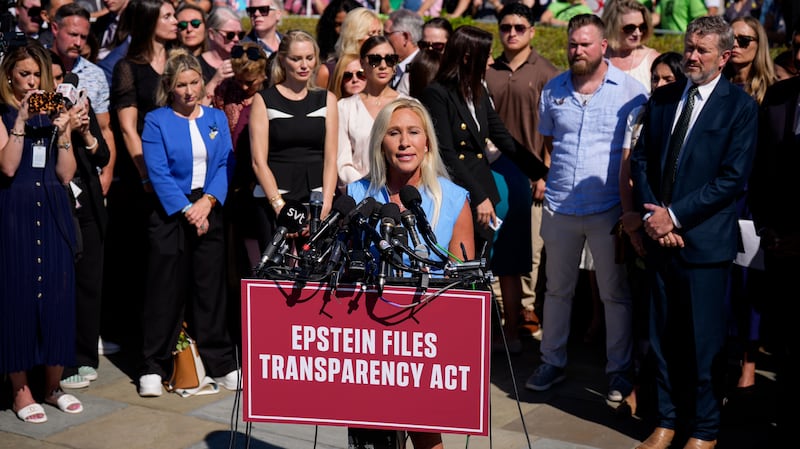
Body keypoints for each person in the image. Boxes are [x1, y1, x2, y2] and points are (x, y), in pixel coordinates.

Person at [630, 15, 758, 449]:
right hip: (660, 240)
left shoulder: (739, 107)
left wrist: (676, 216)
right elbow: (642, 160)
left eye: (701, 50)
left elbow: (732, 178)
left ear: (724, 57)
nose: (691, 56)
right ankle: (665, 420)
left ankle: (704, 429)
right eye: (688, 47)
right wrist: (655, 218)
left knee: (704, 344)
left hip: (704, 244)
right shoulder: (664, 99)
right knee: (662, 339)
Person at [525, 14, 647, 404]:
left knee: (615, 292)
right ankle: (552, 361)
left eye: (585, 44)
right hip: (560, 204)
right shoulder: (554, 88)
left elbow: (637, 151)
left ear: (603, 46)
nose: (577, 50)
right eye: (572, 44)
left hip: (608, 208)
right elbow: (548, 142)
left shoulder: (630, 92)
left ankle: (619, 371)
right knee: (557, 289)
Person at [347, 97, 473, 449]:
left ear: (427, 141)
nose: (405, 142)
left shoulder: (453, 198)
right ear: (380, 143)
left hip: (427, 340)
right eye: (394, 133)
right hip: (369, 338)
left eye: (414, 132)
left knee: (425, 435)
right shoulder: (358, 193)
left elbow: (465, 286)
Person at [138, 48, 239, 397]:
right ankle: (153, 365)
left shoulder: (214, 117)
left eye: (194, 82)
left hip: (208, 208)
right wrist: (188, 210)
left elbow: (226, 164)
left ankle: (222, 362)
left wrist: (207, 203)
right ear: (169, 86)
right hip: (171, 214)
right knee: (164, 290)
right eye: (181, 84)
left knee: (210, 289)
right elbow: (158, 172)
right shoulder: (156, 120)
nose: (188, 90)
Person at [419, 25, 548, 270]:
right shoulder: (437, 94)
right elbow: (445, 152)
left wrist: (543, 173)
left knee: (482, 265)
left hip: (482, 190)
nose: (490, 61)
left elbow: (504, 138)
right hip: (456, 193)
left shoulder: (475, 92)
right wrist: (478, 197)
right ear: (467, 57)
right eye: (486, 55)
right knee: (461, 264)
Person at [0, 41, 80, 423]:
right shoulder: (1, 114)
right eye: (23, 75)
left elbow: (66, 174)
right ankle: (20, 389)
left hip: (52, 209)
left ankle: (53, 386)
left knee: (57, 294)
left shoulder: (55, 112)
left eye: (36, 75)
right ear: (9, 77)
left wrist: (64, 132)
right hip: (14, 210)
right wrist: (18, 121)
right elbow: (8, 168)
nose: (31, 82)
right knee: (16, 296)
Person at [485, 2, 559, 353]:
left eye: (518, 27)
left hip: (531, 178)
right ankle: (503, 319)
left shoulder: (547, 72)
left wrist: (544, 172)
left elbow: (555, 131)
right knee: (498, 252)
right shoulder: (488, 71)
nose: (511, 33)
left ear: (532, 30)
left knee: (528, 254)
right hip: (493, 176)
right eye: (505, 27)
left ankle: (526, 314)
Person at [104, 0, 177, 351]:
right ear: (149, 22)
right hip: (144, 177)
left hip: (184, 174)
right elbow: (129, 130)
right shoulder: (127, 67)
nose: (176, 22)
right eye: (167, 16)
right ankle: (138, 337)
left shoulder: (178, 61)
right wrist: (150, 178)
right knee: (143, 258)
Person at [48, 52, 112, 391]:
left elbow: (102, 155)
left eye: (63, 77)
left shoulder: (79, 102)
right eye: (52, 77)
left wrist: (85, 131)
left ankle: (86, 356)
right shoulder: (38, 110)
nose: (59, 84)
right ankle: (63, 358)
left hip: (87, 201)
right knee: (61, 285)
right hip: (53, 203)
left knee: (89, 282)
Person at [721, 13, 775, 411]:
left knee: (749, 287)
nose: (737, 45)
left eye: (745, 39)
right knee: (721, 285)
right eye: (732, 38)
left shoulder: (772, 90)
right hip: (718, 201)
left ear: (759, 46)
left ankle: (749, 367)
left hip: (752, 201)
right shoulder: (711, 85)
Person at [749, 28, 800, 444]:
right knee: (785, 347)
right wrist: (769, 229)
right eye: (798, 47)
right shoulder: (780, 98)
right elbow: (763, 172)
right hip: (782, 248)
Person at [249, 30, 338, 252]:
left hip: (316, 199)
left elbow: (331, 159)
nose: (304, 65)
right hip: (274, 197)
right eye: (296, 59)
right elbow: (258, 162)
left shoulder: (327, 99)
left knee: (314, 275)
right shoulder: (264, 100)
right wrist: (280, 207)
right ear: (282, 59)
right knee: (274, 275)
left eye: (309, 58)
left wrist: (325, 206)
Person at [212, 41, 268, 291]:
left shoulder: (271, 92)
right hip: (229, 180)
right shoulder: (225, 89)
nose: (244, 88)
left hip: (260, 181)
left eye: (251, 82)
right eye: (240, 81)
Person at [337, 35, 404, 188]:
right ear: (362, 63)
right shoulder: (344, 107)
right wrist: (366, 192)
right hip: (360, 195)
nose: (382, 65)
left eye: (390, 59)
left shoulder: (409, 105)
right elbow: (343, 163)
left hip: (402, 194)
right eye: (375, 59)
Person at [316, 6, 382, 92]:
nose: (376, 38)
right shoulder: (328, 71)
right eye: (371, 33)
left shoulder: (381, 66)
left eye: (379, 33)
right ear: (354, 35)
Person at [602, 0, 661, 93]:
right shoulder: (598, 56)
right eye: (630, 28)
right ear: (612, 26)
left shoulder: (653, 60)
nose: (637, 33)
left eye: (642, 27)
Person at [200, 6, 244, 100]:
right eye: (230, 35)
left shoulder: (243, 60)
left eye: (240, 35)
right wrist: (215, 81)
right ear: (212, 34)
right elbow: (195, 107)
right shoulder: (196, 66)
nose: (236, 39)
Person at [384, 8, 422, 96]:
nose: (384, 39)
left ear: (405, 37)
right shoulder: (396, 65)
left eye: (387, 34)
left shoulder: (421, 68)